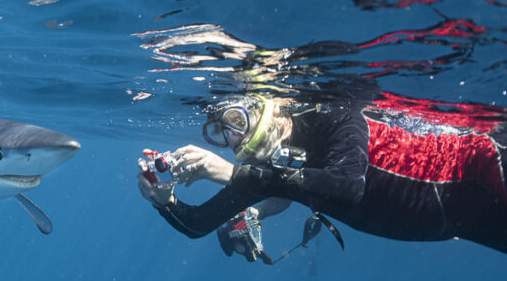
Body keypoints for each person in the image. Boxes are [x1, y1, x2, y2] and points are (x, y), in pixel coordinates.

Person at [137, 93, 507, 260]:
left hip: (483, 169)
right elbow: (200, 223)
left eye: (236, 122)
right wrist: (163, 201)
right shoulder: (269, 170)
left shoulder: (334, 112)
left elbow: (346, 185)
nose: (233, 139)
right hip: (462, 220)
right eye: (219, 134)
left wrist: (235, 173)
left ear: (266, 107)